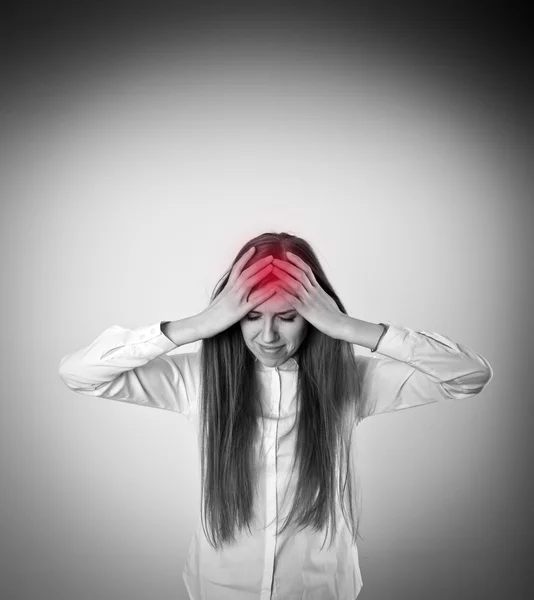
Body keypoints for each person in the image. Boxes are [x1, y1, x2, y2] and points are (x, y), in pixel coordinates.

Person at [58, 231, 494, 600]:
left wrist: (348, 328)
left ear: (312, 316)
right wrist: (194, 325)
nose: (267, 335)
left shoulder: (351, 380)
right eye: (250, 317)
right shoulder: (197, 380)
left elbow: (468, 376)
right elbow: (80, 375)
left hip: (323, 588)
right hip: (217, 587)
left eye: (288, 317)